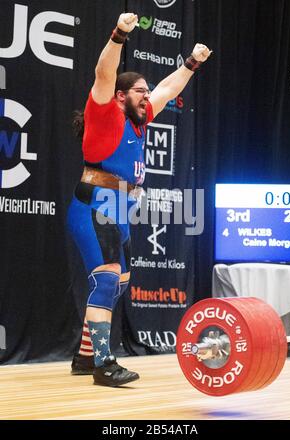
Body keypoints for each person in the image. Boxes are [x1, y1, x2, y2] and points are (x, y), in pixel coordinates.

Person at [68, 12, 212, 387]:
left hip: (117, 212)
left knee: (119, 282)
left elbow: (167, 89)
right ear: (120, 97)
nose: (148, 97)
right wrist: (119, 35)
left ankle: (84, 356)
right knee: (106, 281)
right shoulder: (104, 114)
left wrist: (191, 64)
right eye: (139, 92)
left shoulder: (140, 120)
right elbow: (103, 71)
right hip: (94, 207)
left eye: (147, 93)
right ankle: (102, 363)